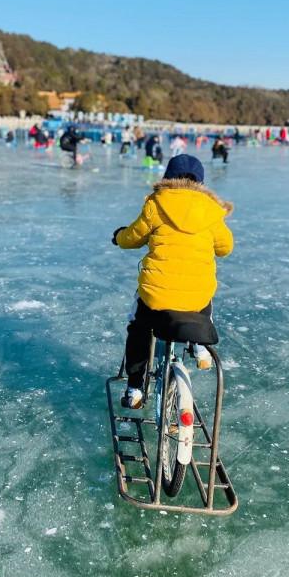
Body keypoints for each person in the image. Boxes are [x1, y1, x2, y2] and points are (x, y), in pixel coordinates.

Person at [112, 154, 234, 409]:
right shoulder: (211, 210)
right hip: (196, 298)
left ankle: (135, 387)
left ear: (168, 177)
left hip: (157, 296)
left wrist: (118, 237)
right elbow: (226, 248)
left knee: (138, 327)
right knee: (202, 293)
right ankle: (199, 347)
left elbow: (132, 237)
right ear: (200, 181)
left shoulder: (157, 203)